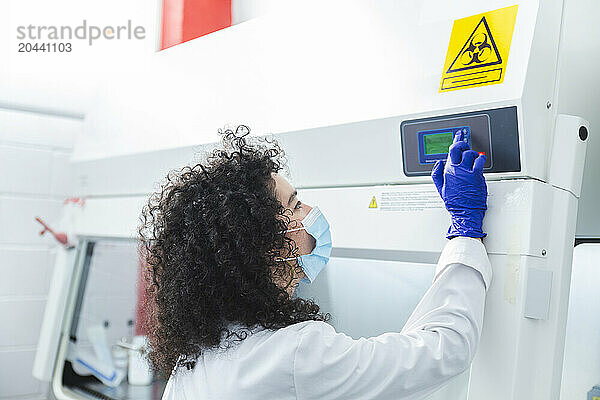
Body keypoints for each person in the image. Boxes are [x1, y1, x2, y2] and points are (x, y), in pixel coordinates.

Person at [139, 125, 491, 400]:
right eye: (294, 205)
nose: (309, 212)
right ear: (266, 244)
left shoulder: (200, 352)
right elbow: (443, 349)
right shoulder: (295, 355)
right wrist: (465, 231)